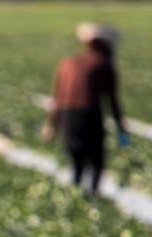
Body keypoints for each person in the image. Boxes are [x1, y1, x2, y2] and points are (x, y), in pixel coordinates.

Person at [42, 23, 129, 193]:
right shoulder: (103, 65)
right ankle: (92, 196)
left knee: (77, 164)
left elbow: (57, 100)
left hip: (68, 118)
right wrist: (122, 130)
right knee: (96, 163)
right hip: (90, 116)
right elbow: (112, 102)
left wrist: (52, 125)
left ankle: (77, 195)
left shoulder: (68, 63)